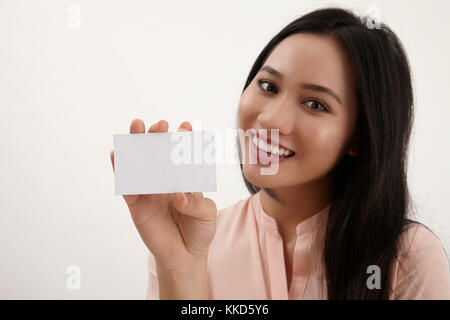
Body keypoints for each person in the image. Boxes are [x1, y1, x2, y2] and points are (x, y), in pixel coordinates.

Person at [110, 7, 450, 299]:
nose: (271, 118)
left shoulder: (409, 258)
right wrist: (179, 265)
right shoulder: (194, 238)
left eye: (315, 104)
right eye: (268, 86)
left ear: (358, 137)